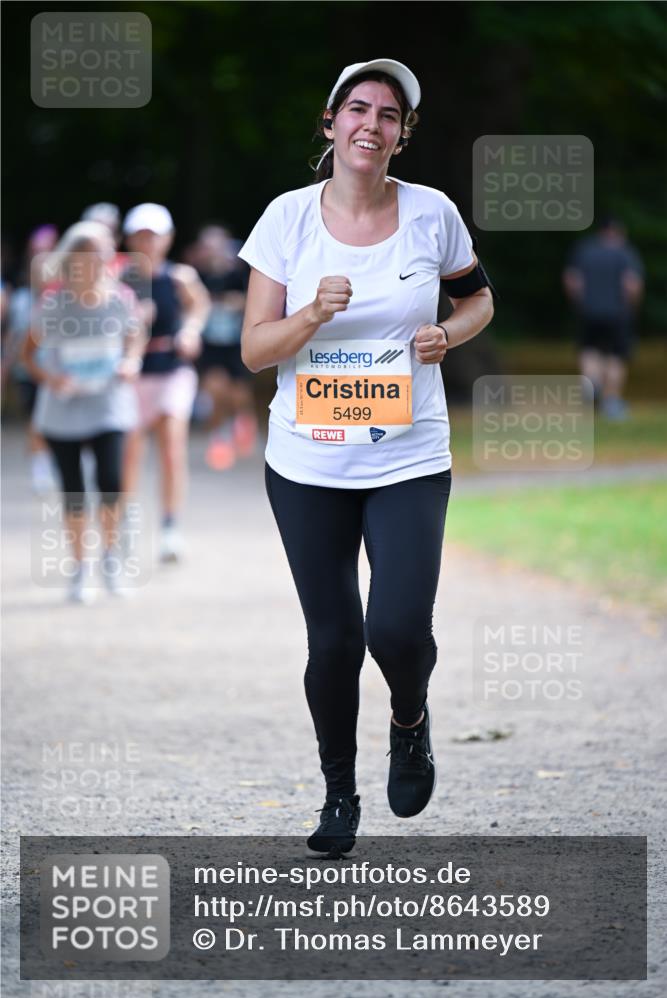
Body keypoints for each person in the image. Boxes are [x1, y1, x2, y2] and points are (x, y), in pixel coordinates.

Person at [238, 59, 495, 856]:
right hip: (307, 466)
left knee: (395, 630)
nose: (370, 125)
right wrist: (312, 311)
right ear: (330, 123)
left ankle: (409, 719)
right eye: (358, 109)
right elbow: (253, 350)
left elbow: (477, 297)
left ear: (401, 136)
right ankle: (338, 794)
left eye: (388, 115)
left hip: (408, 457)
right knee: (334, 641)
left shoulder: (431, 215)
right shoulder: (285, 219)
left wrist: (446, 334)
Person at [21, 221, 145, 603]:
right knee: (73, 491)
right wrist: (51, 378)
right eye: (90, 254)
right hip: (62, 411)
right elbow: (27, 355)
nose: (98, 260)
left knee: (111, 482)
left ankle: (110, 559)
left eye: (104, 253)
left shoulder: (121, 298)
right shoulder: (54, 303)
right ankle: (80, 568)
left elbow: (135, 337)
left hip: (108, 406)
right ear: (73, 258)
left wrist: (131, 362)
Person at [120, 203, 210, 562]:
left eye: (153, 236)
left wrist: (190, 331)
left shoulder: (179, 276)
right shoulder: (118, 278)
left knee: (172, 449)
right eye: (140, 235)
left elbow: (198, 307)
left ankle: (170, 528)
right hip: (131, 376)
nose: (147, 242)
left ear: (167, 239)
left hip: (171, 370)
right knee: (128, 454)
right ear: (129, 238)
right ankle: (125, 526)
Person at [188, 225, 258, 470]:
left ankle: (242, 420)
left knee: (237, 394)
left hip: (235, 344)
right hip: (210, 346)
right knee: (215, 390)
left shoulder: (239, 273)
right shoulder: (197, 275)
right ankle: (219, 438)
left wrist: (235, 302)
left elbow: (254, 300)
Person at [563, 216, 644, 420]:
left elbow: (572, 281)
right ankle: (611, 402)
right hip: (618, 313)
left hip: (589, 312)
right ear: (619, 232)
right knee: (616, 356)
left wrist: (581, 303)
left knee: (589, 350)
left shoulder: (585, 251)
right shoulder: (625, 253)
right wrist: (631, 307)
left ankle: (591, 383)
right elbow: (631, 284)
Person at [3, 225, 60, 494]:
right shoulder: (22, 299)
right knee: (37, 422)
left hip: (60, 370)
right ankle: (41, 469)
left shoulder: (66, 299)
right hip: (29, 371)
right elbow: (13, 338)